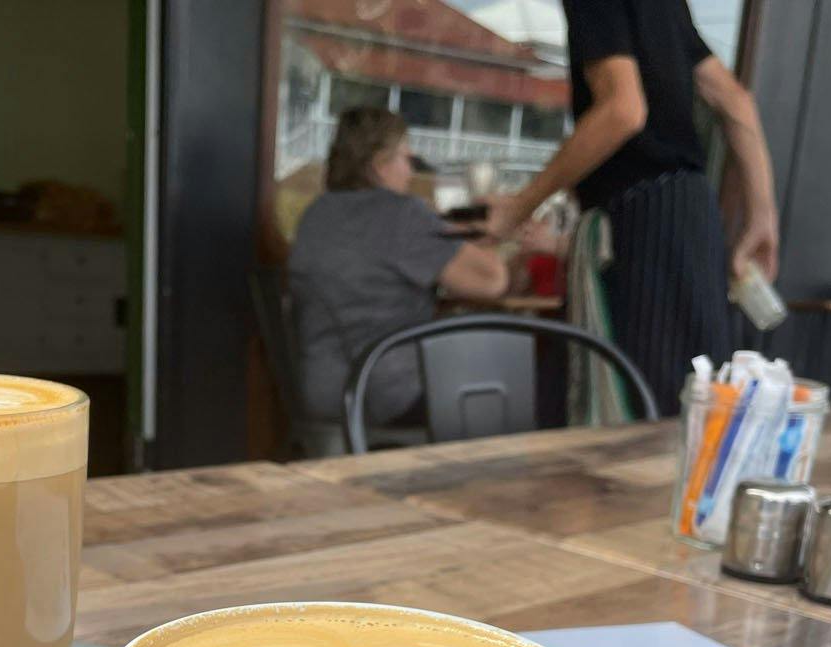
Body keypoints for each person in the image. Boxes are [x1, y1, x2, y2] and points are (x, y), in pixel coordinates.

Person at [484, 0, 780, 416]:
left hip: (640, 219)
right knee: (693, 404)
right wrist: (763, 217)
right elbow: (734, 100)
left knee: (625, 405)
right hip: (692, 212)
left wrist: (520, 206)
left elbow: (622, 110)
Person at [288, 108, 509, 431]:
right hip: (386, 396)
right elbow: (492, 281)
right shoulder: (402, 214)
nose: (411, 171)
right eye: (406, 158)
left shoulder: (315, 214)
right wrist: (489, 230)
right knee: (526, 381)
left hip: (319, 390)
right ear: (380, 165)